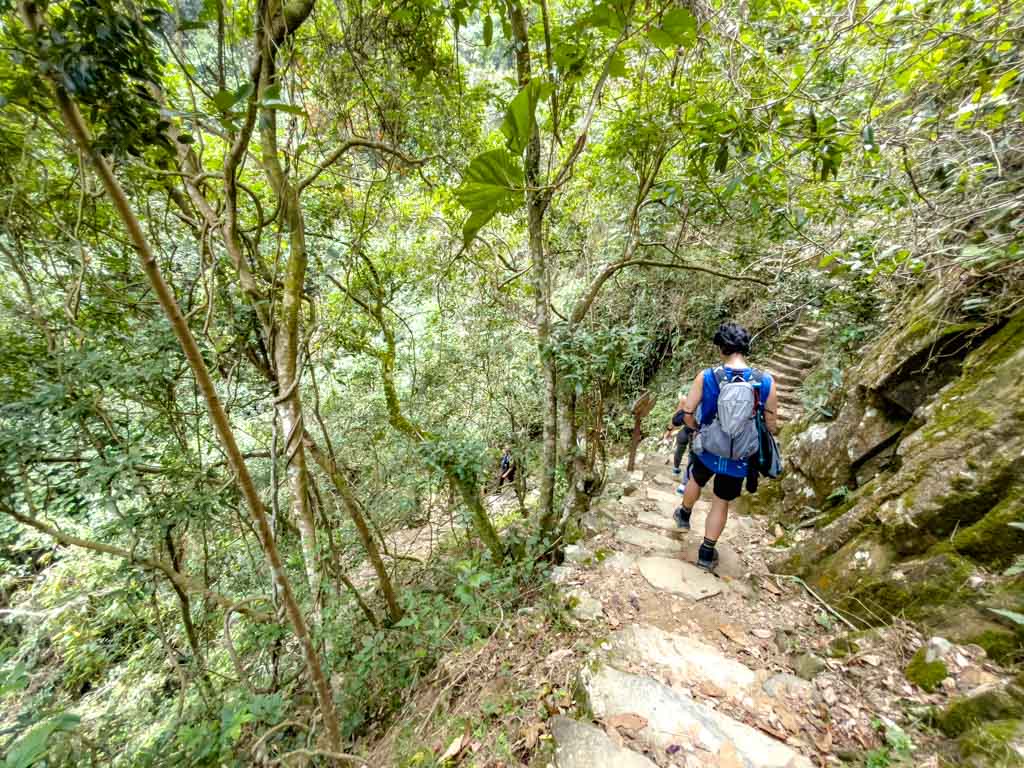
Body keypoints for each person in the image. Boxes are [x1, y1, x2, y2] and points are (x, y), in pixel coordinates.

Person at [671, 322, 777, 571]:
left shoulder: (707, 377)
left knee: (695, 480)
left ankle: (684, 515)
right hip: (740, 455)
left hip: (708, 448)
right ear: (745, 348)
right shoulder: (765, 382)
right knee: (721, 502)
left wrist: (698, 428)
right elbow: (771, 424)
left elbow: (687, 413)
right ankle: (706, 553)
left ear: (721, 348)